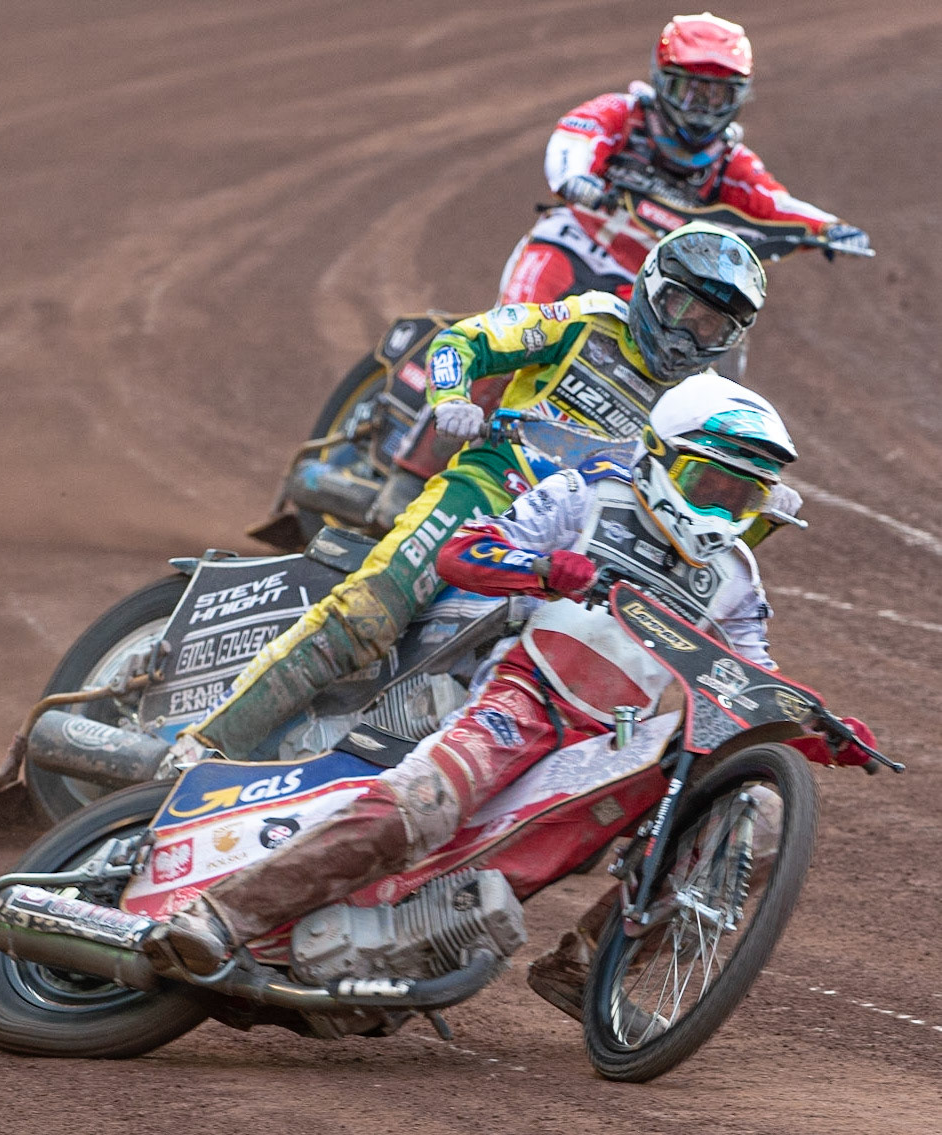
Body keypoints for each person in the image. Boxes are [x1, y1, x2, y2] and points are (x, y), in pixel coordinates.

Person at [142, 374, 879, 1012]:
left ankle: (588, 964)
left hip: (625, 742)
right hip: (527, 695)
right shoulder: (589, 494)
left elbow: (750, 675)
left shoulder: (737, 578)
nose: (719, 512)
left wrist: (823, 728)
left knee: (760, 816)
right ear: (660, 458)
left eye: (741, 497)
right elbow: (467, 548)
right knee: (422, 803)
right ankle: (221, 915)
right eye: (705, 485)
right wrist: (549, 567)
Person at [167, 221, 776, 766]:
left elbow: (707, 506)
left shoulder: (701, 403)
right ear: (650, 288)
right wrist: (451, 399)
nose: (687, 336)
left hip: (587, 547)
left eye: (710, 326)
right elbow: (464, 340)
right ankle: (208, 742)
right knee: (370, 614)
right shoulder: (584, 321)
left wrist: (762, 507)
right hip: (489, 492)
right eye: (680, 309)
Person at [498, 11, 868, 306]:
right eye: (690, 92)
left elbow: (774, 203)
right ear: (662, 80)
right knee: (512, 334)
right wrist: (575, 178)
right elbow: (576, 137)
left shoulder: (727, 160)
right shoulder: (624, 114)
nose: (702, 110)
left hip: (644, 286)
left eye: (716, 96)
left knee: (689, 358)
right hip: (570, 246)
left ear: (738, 97)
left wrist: (828, 227)